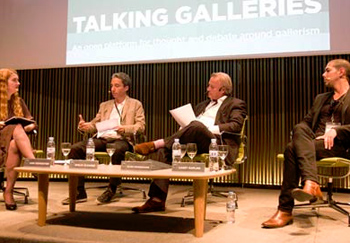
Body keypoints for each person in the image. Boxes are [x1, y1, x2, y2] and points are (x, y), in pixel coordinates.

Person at [131, 72, 247, 213]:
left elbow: (236, 126)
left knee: (197, 126)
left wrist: (206, 128)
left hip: (217, 144)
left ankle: (157, 143)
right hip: (195, 141)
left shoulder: (236, 104)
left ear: (222, 90)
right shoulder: (202, 105)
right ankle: (157, 200)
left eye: (211, 86)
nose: (207, 89)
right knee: (164, 151)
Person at [262, 59, 350, 228]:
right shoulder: (321, 98)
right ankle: (311, 183)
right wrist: (301, 132)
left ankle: (285, 210)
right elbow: (306, 123)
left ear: (341, 72)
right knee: (299, 128)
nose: (323, 75)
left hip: (340, 145)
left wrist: (337, 131)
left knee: (290, 149)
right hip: (314, 143)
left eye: (327, 70)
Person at [61, 72, 145, 205]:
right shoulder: (104, 105)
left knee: (117, 149)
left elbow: (140, 126)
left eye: (117, 86)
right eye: (112, 86)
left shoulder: (135, 104)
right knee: (76, 149)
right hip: (103, 138)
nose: (113, 89)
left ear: (126, 88)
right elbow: (94, 125)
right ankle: (79, 191)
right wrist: (85, 125)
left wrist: (125, 128)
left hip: (122, 139)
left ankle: (112, 189)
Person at [0, 68, 37, 211]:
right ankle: (33, 162)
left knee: (15, 143)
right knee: (15, 126)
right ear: (3, 83)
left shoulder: (18, 101)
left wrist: (30, 126)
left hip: (11, 143)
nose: (18, 83)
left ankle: (8, 191)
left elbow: (32, 122)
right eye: (14, 80)